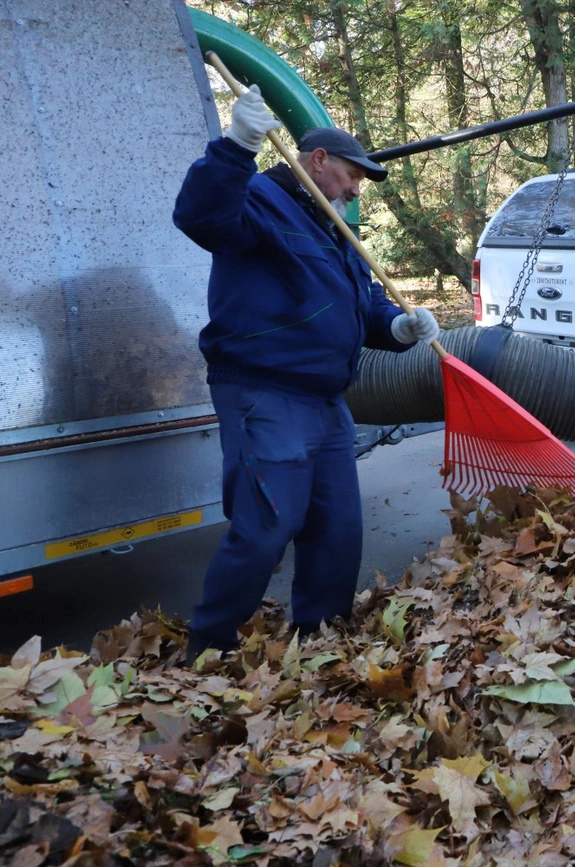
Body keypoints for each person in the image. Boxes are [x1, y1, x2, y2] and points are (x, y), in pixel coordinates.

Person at [173, 85, 440, 661]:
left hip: (325, 401)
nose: (354, 190)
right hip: (265, 392)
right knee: (267, 527)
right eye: (349, 176)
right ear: (317, 160)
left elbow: (362, 300)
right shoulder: (259, 201)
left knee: (337, 529)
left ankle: (320, 639)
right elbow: (199, 216)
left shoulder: (331, 226)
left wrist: (396, 326)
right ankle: (209, 649)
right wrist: (235, 146)